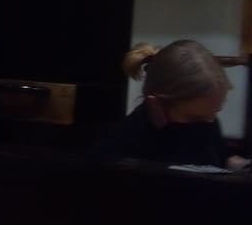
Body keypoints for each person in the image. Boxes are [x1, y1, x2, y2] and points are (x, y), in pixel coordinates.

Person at [93, 40, 249, 169]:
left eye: (215, 112)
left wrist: (238, 164)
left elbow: (218, 155)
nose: (210, 122)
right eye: (196, 118)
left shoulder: (207, 120)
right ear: (155, 104)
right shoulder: (118, 154)